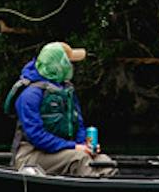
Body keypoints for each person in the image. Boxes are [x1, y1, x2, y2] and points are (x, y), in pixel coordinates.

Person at [9, 41, 111, 177]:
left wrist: (85, 146)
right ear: (59, 65)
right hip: (31, 155)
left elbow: (79, 125)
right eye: (69, 62)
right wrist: (74, 147)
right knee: (80, 159)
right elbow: (36, 136)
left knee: (105, 162)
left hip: (62, 150)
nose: (72, 66)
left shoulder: (67, 90)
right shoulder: (30, 95)